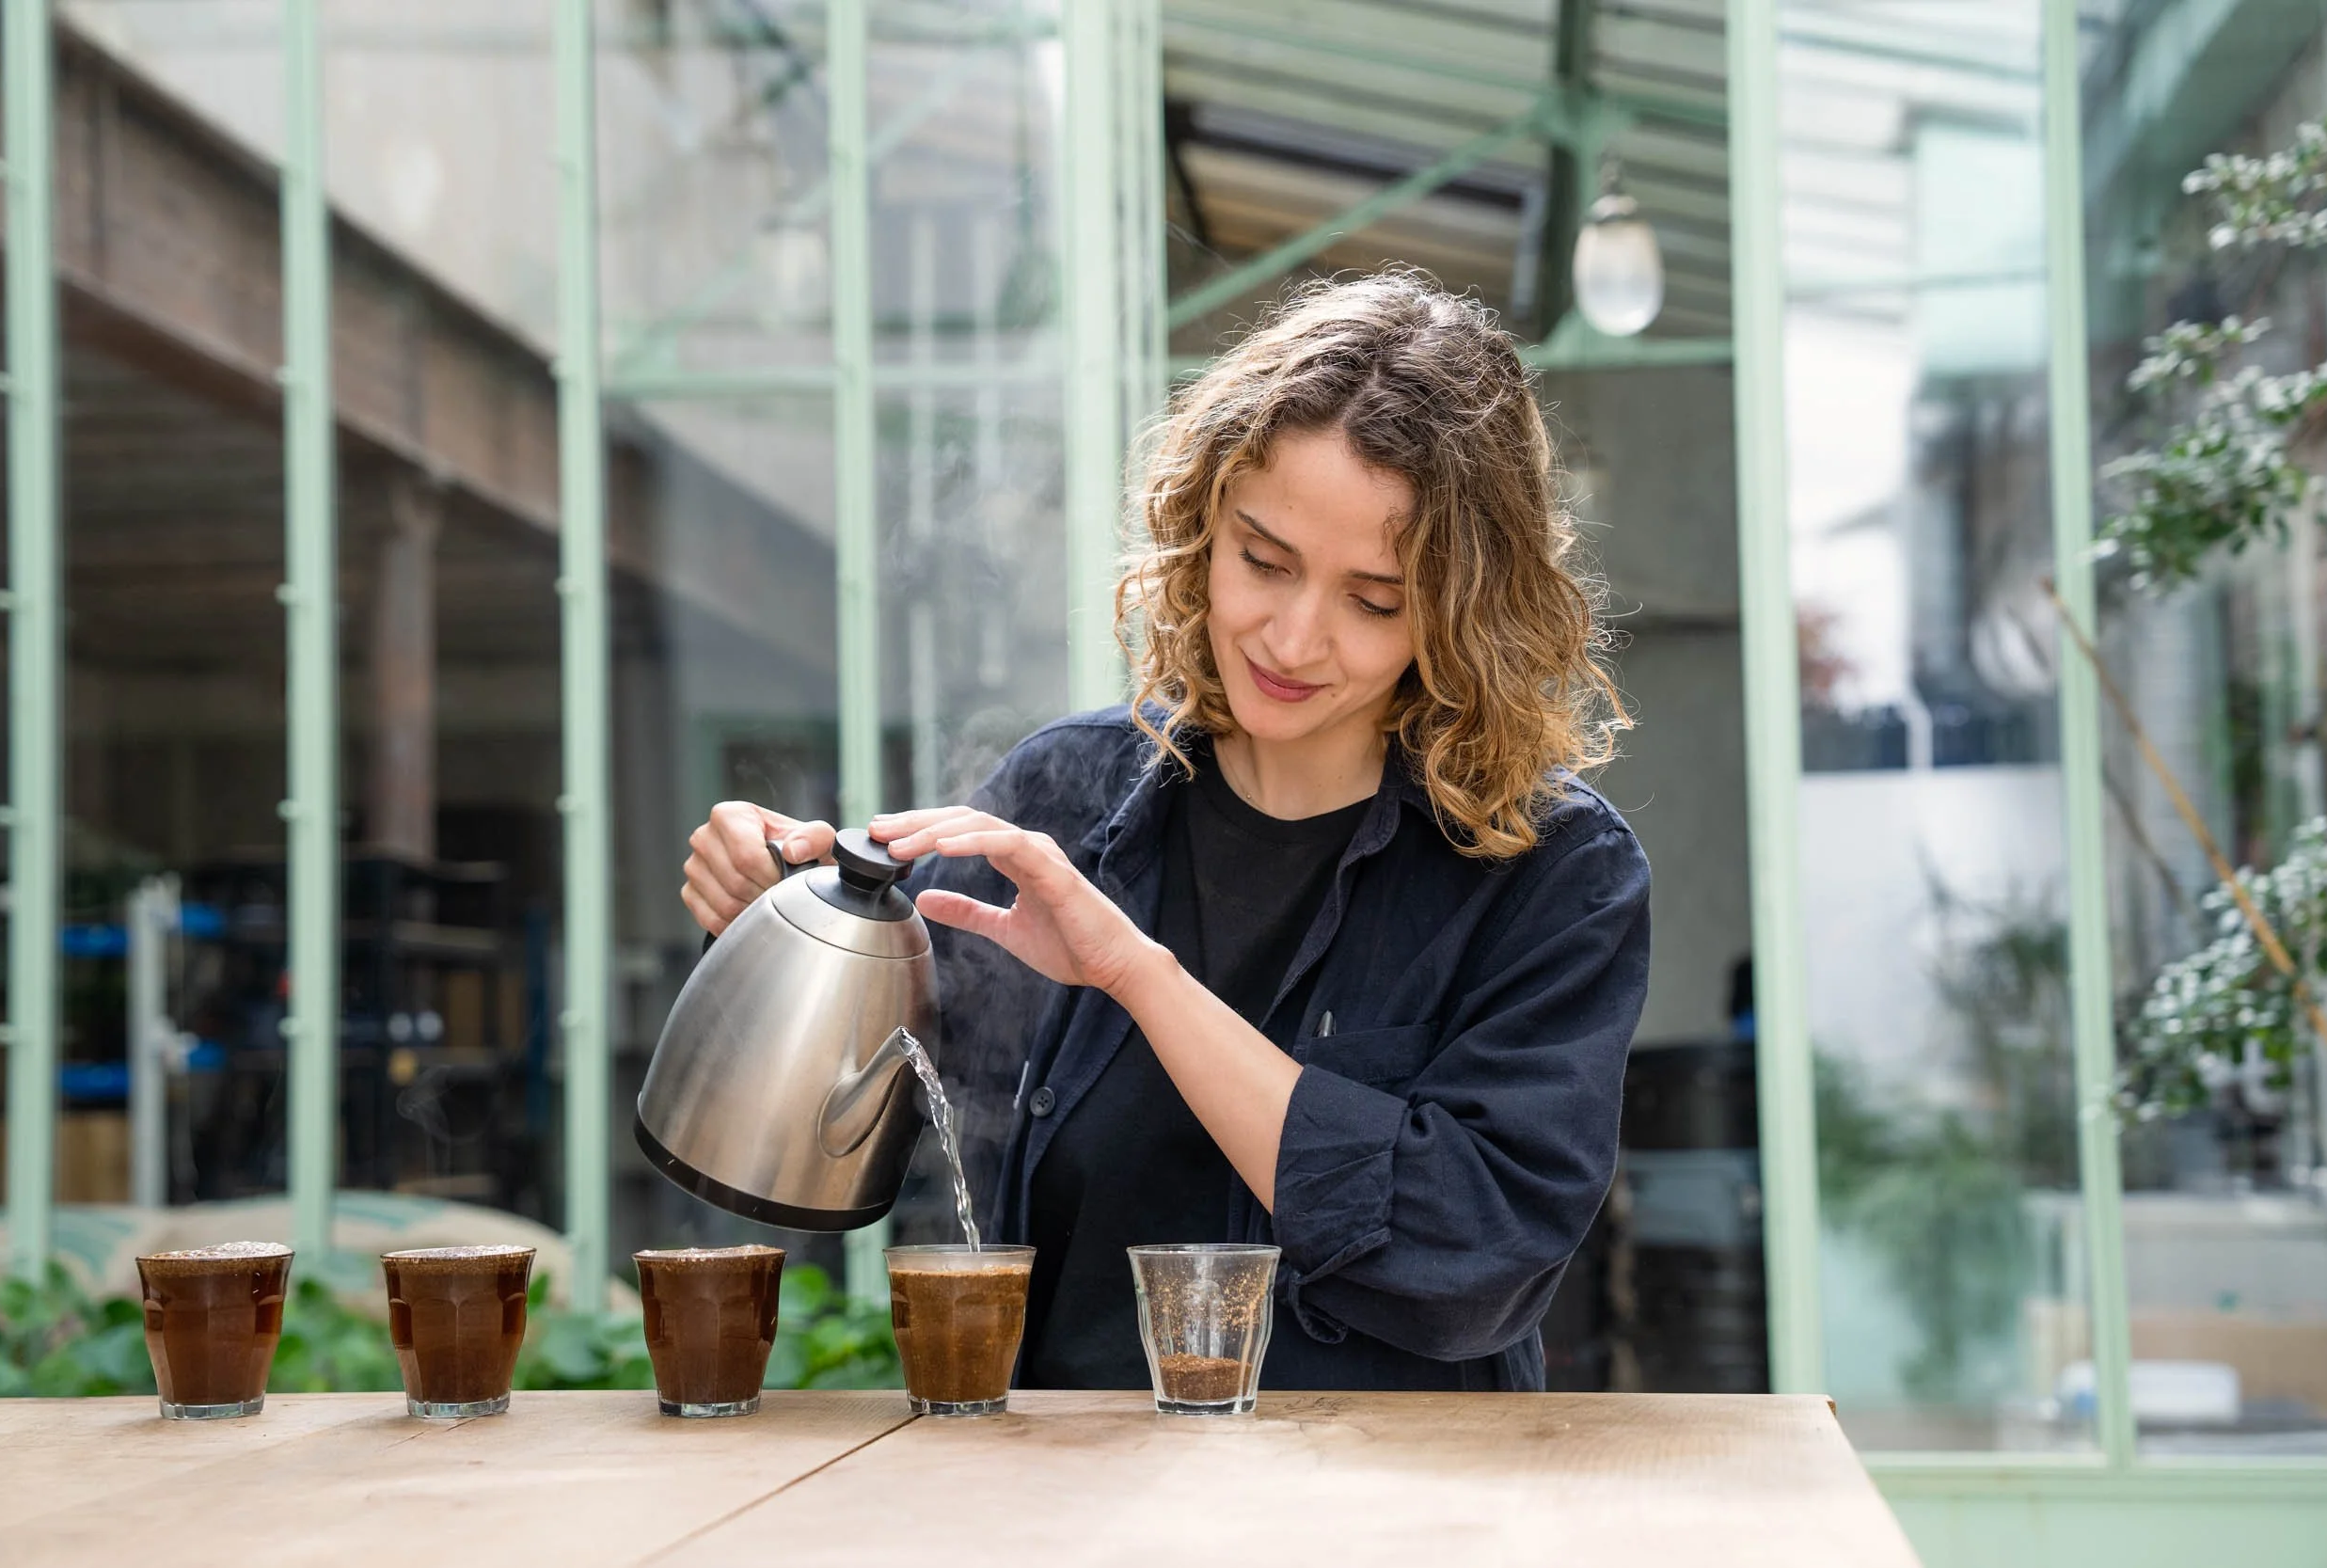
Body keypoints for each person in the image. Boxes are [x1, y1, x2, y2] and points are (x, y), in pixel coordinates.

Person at [680, 269, 1651, 1393]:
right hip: (1072, 1504)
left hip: (1390, 1519)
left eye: (1373, 599)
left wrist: (1135, 975)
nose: (1292, 637)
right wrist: (778, 929)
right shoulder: (1062, 794)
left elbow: (1470, 1256)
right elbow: (841, 1143)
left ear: (1462, 610)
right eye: (1263, 560)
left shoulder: (1550, 871)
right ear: (1202, 519)